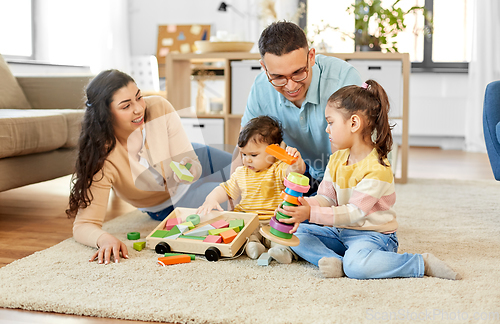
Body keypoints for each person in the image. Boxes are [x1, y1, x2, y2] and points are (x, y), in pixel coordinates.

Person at [276, 80, 461, 280]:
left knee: (357, 266)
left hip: (373, 235)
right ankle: (335, 261)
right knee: (298, 234)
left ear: (354, 123)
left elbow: (354, 213)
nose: (327, 129)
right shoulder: (337, 158)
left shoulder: (377, 168)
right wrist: (301, 206)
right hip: (340, 231)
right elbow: (327, 198)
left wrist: (310, 212)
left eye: (330, 122)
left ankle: (419, 263)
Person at [67, 69, 232, 265]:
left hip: (200, 159)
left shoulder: (158, 107)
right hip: (171, 202)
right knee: (240, 195)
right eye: (126, 106)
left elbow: (191, 161)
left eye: (139, 97)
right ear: (105, 115)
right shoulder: (103, 159)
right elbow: (84, 224)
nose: (139, 109)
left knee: (254, 168)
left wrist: (191, 168)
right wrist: (104, 239)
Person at [232, 21, 362, 195]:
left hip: (347, 172)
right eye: (278, 77)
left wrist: (322, 203)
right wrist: (233, 196)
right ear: (264, 68)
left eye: (298, 72)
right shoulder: (261, 87)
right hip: (301, 171)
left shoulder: (342, 79)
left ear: (311, 57)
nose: (291, 86)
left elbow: (354, 152)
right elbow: (245, 144)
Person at [198, 116, 306, 262]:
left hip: (273, 221)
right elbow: (225, 189)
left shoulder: (278, 169)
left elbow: (295, 172)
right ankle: (254, 245)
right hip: (249, 221)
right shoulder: (241, 173)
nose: (247, 159)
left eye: (253, 155)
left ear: (274, 151)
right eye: (244, 154)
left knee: (281, 237)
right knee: (243, 233)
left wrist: (295, 160)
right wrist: (211, 199)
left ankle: (282, 251)